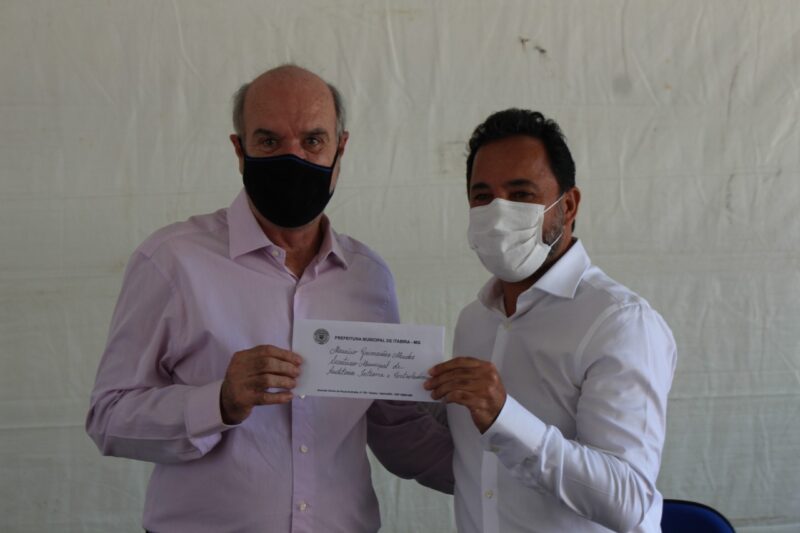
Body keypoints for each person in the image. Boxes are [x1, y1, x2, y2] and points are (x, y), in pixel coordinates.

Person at [86, 64, 452, 533]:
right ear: (239, 150)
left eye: (312, 141)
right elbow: (109, 417)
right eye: (269, 141)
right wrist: (219, 401)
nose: (292, 158)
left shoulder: (368, 277)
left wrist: (502, 456)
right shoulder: (172, 261)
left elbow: (392, 425)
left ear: (340, 149)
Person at [425, 109, 676, 532]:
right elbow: (474, 467)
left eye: (521, 194)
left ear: (569, 205)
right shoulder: (475, 320)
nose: (498, 214)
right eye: (482, 196)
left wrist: (504, 418)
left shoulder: (618, 323)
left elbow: (630, 500)